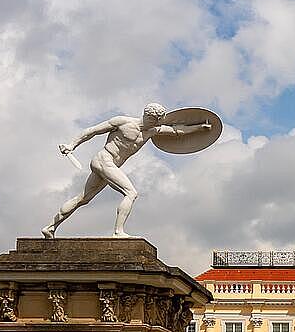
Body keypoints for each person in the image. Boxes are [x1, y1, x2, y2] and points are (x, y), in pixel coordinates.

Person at [43, 102, 215, 238]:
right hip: (104, 160)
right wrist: (71, 145)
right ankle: (118, 232)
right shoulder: (123, 122)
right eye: (156, 120)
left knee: (83, 198)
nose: (158, 123)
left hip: (110, 166)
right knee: (131, 193)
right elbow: (92, 131)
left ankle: (50, 227)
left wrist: (200, 127)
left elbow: (177, 131)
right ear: (149, 117)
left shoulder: (152, 131)